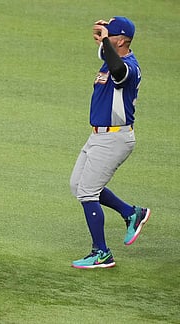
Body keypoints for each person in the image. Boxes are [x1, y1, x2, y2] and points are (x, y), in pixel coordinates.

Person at [70, 17, 151, 269]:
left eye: (110, 35)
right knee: (78, 185)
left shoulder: (128, 67)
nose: (104, 38)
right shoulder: (111, 56)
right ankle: (131, 213)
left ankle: (101, 253)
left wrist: (106, 40)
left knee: (87, 192)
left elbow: (118, 71)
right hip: (98, 135)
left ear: (121, 41)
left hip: (115, 137)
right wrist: (104, 39)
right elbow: (107, 57)